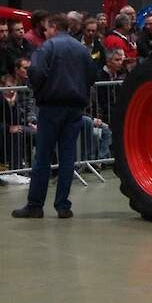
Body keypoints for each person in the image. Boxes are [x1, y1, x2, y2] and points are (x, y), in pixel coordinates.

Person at [12, 14, 98, 219]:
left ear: (53, 28)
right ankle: (63, 205)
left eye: (47, 28)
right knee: (68, 157)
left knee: (42, 156)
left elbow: (36, 71)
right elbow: (92, 75)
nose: (45, 31)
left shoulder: (47, 47)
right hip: (75, 107)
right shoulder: (81, 49)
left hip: (51, 107)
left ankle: (35, 205)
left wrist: (39, 91)